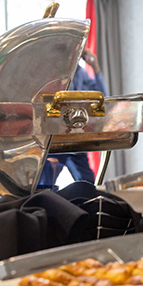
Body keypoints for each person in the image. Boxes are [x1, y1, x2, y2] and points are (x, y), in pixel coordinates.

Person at [39, 49, 106, 185]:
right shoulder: (49, 73)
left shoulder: (80, 72)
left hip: (76, 137)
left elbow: (102, 97)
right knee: (45, 185)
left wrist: (95, 67)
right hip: (54, 138)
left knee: (88, 184)